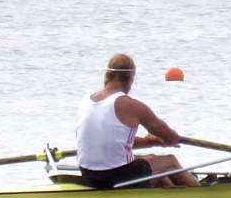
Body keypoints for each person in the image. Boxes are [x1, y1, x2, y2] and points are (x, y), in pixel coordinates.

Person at [74, 54, 199, 189]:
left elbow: (112, 141)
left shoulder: (86, 101)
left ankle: (169, 194)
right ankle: (200, 192)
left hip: (89, 175)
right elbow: (171, 137)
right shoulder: (132, 105)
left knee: (150, 159)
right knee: (170, 161)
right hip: (115, 177)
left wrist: (150, 141)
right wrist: (168, 139)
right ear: (130, 78)